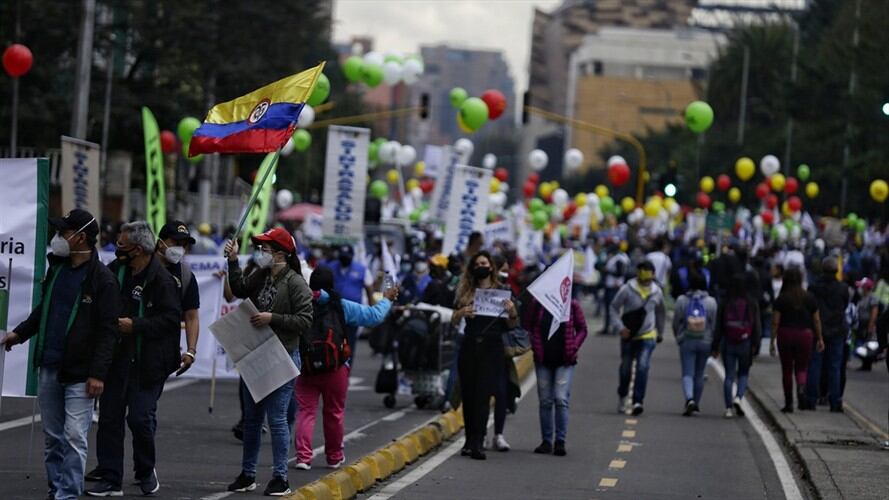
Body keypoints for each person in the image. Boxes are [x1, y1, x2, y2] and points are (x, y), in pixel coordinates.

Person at [2, 210, 119, 500]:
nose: (58, 238)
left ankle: (67, 493)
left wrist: (97, 374)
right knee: (53, 437)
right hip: (50, 365)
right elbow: (45, 310)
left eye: (63, 232)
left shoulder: (103, 280)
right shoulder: (57, 269)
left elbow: (108, 332)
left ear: (81, 237)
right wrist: (20, 333)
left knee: (75, 436)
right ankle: (57, 488)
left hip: (81, 373)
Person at [86, 221, 182, 497]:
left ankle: (145, 470)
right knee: (109, 419)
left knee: (140, 419)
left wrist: (136, 325)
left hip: (148, 364)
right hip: (116, 360)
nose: (117, 249)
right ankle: (110, 478)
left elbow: (171, 320)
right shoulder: (114, 272)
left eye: (121, 245)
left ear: (138, 250)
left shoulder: (162, 280)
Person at [223, 228, 313, 496]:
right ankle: (247, 474)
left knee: (276, 420)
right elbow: (238, 288)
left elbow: (306, 319)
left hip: (282, 355)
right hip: (256, 354)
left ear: (281, 254)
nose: (261, 253)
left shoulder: (296, 283)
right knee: (252, 420)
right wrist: (232, 261)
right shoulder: (261, 276)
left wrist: (272, 318)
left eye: (266, 248)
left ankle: (280, 478)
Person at [293, 266, 398, 470]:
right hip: (336, 367)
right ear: (332, 285)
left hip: (305, 368)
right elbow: (373, 316)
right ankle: (334, 457)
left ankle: (303, 458)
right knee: (334, 412)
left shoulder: (299, 303)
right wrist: (387, 299)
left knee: (306, 412)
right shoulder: (340, 305)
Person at [450, 251, 519, 460]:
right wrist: (463, 313)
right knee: (469, 396)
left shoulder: (502, 292)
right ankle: (469, 440)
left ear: (491, 267)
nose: (482, 266)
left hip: (492, 349)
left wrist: (512, 311)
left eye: (485, 263)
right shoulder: (466, 292)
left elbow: (513, 325)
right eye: (478, 263)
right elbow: (453, 319)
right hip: (470, 347)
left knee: (483, 396)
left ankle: (479, 441)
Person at [524, 294, 588, 456]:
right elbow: (528, 326)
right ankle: (546, 441)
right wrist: (535, 345)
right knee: (545, 400)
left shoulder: (572, 304)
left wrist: (574, 346)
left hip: (565, 361)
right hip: (543, 360)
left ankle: (560, 441)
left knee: (560, 399)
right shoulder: (537, 304)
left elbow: (582, 329)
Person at [610, 260, 665, 416]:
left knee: (643, 367)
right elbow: (613, 308)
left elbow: (660, 312)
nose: (646, 278)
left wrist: (660, 332)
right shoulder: (626, 289)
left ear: (653, 275)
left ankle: (637, 401)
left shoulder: (657, 292)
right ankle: (622, 394)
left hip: (648, 335)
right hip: (628, 335)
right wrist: (620, 328)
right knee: (626, 369)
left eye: (648, 274)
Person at [770, 267, 824, 413]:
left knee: (787, 370)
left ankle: (788, 403)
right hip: (805, 335)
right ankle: (801, 387)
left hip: (785, 333)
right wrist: (819, 338)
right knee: (802, 367)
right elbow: (817, 320)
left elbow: (775, 321)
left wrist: (772, 341)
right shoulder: (809, 297)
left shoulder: (781, 299)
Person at [712, 274, 762, 418]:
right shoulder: (751, 302)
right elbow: (756, 325)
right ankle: (739, 397)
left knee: (729, 375)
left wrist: (715, 346)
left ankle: (728, 408)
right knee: (744, 374)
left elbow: (719, 326)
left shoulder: (725, 302)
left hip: (728, 342)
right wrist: (756, 344)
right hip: (745, 342)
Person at [155, 221, 201, 376]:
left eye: (184, 245)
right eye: (175, 242)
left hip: (162, 355)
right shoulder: (141, 267)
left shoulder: (185, 276)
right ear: (160, 243)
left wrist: (191, 351)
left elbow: (191, 316)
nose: (180, 249)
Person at [672, 270, 717, 416]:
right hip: (705, 340)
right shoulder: (711, 302)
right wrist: (714, 342)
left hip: (687, 339)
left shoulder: (681, 300)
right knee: (699, 374)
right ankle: (696, 402)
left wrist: (678, 336)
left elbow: (676, 321)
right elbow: (714, 324)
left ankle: (689, 398)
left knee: (687, 373)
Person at [806, 257, 849, 411]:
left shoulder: (813, 287)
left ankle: (811, 399)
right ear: (836, 271)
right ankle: (835, 401)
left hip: (818, 330)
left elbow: (809, 307)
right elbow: (845, 305)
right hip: (837, 330)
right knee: (835, 367)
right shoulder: (843, 288)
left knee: (815, 365)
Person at [325, 245, 374, 363]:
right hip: (333, 313)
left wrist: (371, 310)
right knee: (332, 341)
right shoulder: (330, 268)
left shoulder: (361, 269)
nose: (344, 259)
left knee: (349, 343)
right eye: (342, 257)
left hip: (352, 313)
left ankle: (346, 372)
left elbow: (369, 288)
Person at [600, 243, 630, 336]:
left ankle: (614, 329)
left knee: (613, 309)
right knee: (609, 308)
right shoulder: (615, 258)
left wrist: (607, 271)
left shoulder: (618, 259)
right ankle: (608, 327)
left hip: (614, 287)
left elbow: (620, 273)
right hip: (610, 286)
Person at [852, 278, 880, 371]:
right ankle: (865, 364)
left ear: (866, 288)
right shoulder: (862, 298)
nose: (860, 288)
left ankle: (867, 364)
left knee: (867, 345)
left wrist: (870, 327)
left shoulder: (872, 298)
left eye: (862, 287)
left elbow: (874, 313)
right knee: (862, 345)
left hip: (868, 326)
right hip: (861, 326)